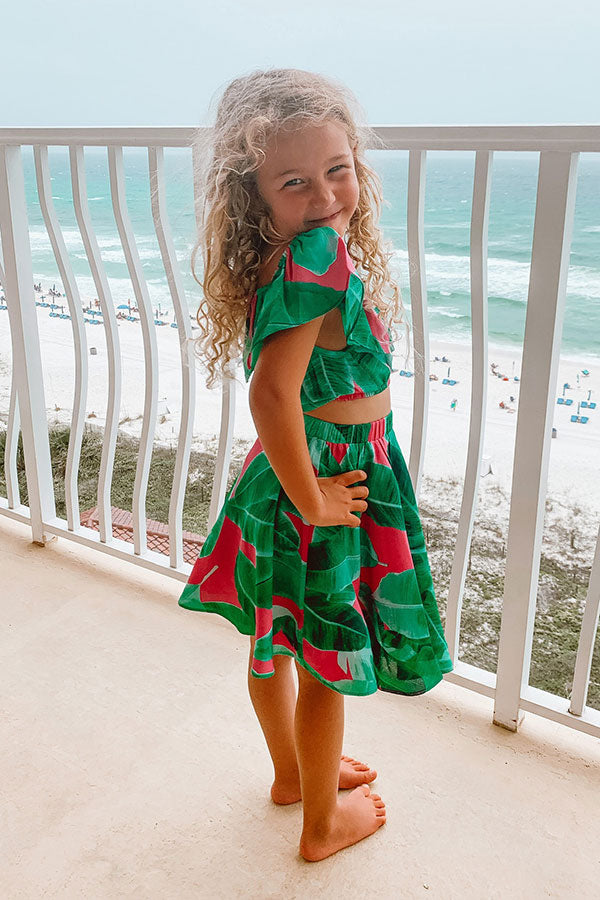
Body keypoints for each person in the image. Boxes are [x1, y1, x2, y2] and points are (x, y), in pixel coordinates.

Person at [178, 68, 453, 862]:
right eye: (295, 182)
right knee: (327, 664)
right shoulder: (318, 260)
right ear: (255, 197)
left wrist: (296, 487)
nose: (326, 194)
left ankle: (293, 776)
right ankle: (320, 828)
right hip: (324, 476)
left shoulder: (284, 252)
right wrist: (317, 500)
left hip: (286, 475)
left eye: (338, 169)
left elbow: (277, 395)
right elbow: (271, 394)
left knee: (276, 641)